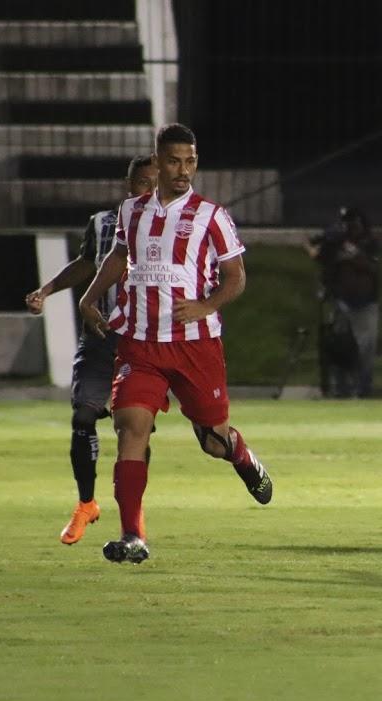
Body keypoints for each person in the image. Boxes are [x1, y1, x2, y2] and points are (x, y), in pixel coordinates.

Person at [78, 123, 274, 564]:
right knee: (131, 426)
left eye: (190, 161)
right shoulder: (132, 211)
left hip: (195, 346)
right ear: (158, 160)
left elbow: (237, 277)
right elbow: (117, 257)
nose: (183, 170)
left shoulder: (212, 216)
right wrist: (90, 297)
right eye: (174, 161)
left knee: (212, 441)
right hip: (140, 344)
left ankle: (242, 456)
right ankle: (133, 536)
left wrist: (207, 305)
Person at [25, 155, 158, 546]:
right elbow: (87, 264)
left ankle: (133, 516)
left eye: (153, 183)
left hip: (141, 344)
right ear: (128, 184)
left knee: (135, 431)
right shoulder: (103, 223)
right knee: (83, 418)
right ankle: (87, 503)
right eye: (140, 183)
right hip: (100, 340)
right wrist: (46, 290)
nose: (147, 191)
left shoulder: (170, 228)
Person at [305, 206, 380, 398]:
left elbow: (373, 268)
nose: (348, 227)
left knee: (366, 348)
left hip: (365, 303)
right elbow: (316, 253)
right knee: (338, 347)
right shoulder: (335, 244)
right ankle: (340, 389)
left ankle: (363, 389)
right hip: (340, 301)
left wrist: (352, 255)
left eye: (352, 223)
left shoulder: (369, 243)